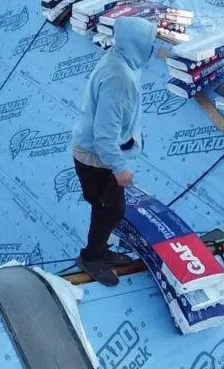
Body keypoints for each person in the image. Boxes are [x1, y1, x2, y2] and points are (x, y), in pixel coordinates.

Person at [71, 17, 156, 286]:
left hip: (100, 151)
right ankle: (92, 257)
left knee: (108, 207)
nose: (152, 50)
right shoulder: (118, 78)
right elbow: (104, 136)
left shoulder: (123, 59)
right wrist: (119, 168)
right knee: (110, 209)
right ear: (135, 44)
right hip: (96, 156)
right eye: (148, 43)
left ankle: (100, 251)